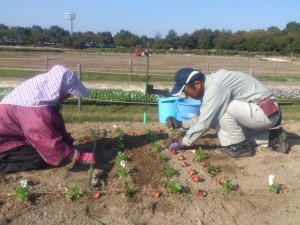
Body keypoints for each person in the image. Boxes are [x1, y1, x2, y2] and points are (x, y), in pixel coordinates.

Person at [166, 67, 288, 158]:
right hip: (262, 112)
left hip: (267, 112)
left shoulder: (215, 87)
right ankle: (272, 138)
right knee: (229, 131)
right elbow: (206, 116)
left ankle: (240, 148)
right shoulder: (209, 86)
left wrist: (183, 142)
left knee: (222, 112)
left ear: (197, 84)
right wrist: (182, 124)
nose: (186, 95)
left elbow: (205, 122)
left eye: (186, 91)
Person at [0, 65, 95, 173]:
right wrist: (77, 156)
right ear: (61, 88)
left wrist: (67, 143)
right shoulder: (35, 107)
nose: (67, 96)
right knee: (42, 155)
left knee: (52, 151)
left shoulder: (41, 92)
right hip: (4, 144)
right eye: (68, 93)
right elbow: (43, 139)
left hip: (13, 136)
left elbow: (53, 125)